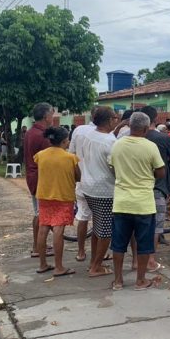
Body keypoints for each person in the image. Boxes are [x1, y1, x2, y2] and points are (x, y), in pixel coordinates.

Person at [108, 112, 165, 291]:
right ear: (146, 128)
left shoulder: (117, 145)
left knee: (118, 243)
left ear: (130, 126)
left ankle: (118, 280)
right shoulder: (150, 146)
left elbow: (112, 167)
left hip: (121, 202)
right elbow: (161, 172)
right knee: (144, 243)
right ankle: (140, 280)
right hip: (144, 203)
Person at [34, 126, 80, 277]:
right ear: (64, 141)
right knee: (58, 230)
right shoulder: (70, 158)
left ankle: (42, 264)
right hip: (63, 196)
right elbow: (78, 176)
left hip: (44, 195)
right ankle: (59, 267)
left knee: (43, 228)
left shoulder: (41, 155)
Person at [78, 106, 117, 278]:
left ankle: (94, 261)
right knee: (106, 231)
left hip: (88, 186)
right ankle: (96, 267)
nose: (116, 120)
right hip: (105, 190)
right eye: (115, 118)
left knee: (97, 227)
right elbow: (115, 167)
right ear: (109, 120)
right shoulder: (110, 141)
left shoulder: (88, 135)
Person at [24, 103, 54, 257]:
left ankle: (38, 244)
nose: (53, 117)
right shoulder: (42, 135)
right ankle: (37, 247)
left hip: (33, 176)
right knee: (41, 215)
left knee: (39, 213)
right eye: (51, 114)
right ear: (45, 116)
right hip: (40, 178)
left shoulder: (31, 132)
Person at [143, 105, 170, 249]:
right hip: (158, 186)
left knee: (140, 226)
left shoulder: (130, 139)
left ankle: (138, 259)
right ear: (155, 118)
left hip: (136, 188)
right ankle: (151, 259)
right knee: (156, 225)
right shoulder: (163, 138)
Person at [68, 110, 97, 263]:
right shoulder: (107, 135)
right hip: (101, 183)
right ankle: (99, 255)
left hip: (82, 180)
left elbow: (71, 155)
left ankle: (81, 251)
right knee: (101, 220)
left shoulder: (79, 130)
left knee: (83, 216)